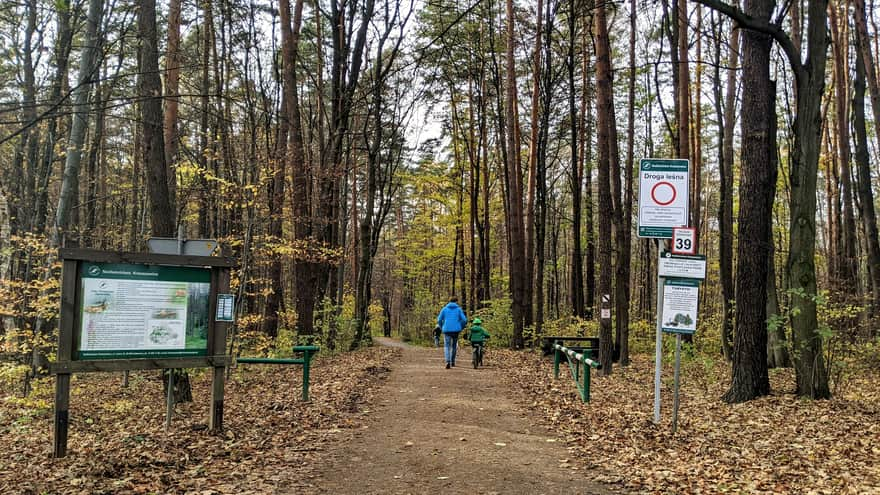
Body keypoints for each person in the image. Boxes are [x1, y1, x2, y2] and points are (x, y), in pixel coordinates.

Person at [437, 297, 467, 368]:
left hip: (446, 330)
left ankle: (448, 361)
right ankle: (452, 361)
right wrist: (461, 327)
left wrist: (442, 327)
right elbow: (464, 320)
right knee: (454, 346)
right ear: (456, 301)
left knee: (447, 346)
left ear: (449, 301)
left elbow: (439, 320)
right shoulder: (459, 309)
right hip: (456, 330)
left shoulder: (444, 309)